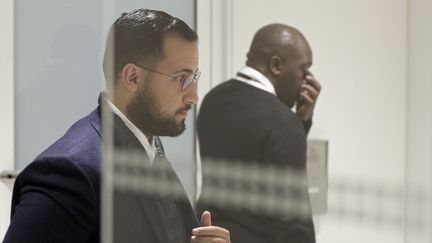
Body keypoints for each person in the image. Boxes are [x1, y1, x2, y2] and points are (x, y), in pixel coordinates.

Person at [3, 9, 230, 243]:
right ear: (132, 77)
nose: (193, 96)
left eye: (194, 78)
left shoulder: (148, 144)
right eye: (181, 78)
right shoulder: (69, 173)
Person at [196, 24, 322, 243]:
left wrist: (299, 122)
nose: (307, 80)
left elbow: (253, 156)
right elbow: (294, 224)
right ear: (276, 65)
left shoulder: (212, 101)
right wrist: (293, 122)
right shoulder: (282, 122)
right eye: (304, 69)